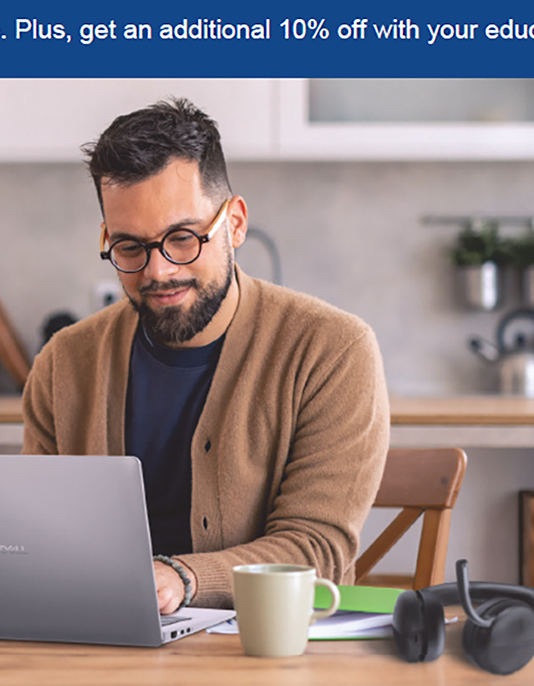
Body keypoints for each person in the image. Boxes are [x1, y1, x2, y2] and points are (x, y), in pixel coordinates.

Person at [21, 98, 390, 614]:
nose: (159, 271)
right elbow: (38, 534)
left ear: (234, 224)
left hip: (268, 651)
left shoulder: (332, 350)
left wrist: (181, 578)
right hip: (103, 647)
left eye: (182, 238)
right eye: (130, 247)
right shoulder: (64, 362)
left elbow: (317, 550)